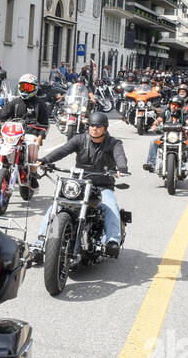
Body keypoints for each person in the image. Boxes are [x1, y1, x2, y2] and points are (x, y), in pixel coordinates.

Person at [36, 110, 129, 259]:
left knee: (111, 207)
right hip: (79, 185)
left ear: (105, 128)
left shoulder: (114, 143)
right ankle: (39, 243)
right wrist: (45, 160)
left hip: (102, 186)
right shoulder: (80, 139)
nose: (94, 128)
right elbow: (63, 150)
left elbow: (120, 156)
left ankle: (112, 241)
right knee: (55, 206)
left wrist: (122, 168)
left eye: (98, 126)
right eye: (92, 125)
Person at [0, 74, 53, 185]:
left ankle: (32, 175)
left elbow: (44, 124)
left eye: (29, 88)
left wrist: (39, 138)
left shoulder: (40, 104)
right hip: (14, 133)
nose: (26, 90)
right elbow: (1, 116)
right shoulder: (15, 102)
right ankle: (1, 174)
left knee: (32, 151)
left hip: (31, 133)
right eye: (24, 87)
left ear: (35, 88)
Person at [143, 96, 188, 174]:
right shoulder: (166, 113)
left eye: (176, 105)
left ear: (179, 106)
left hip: (182, 140)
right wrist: (154, 125)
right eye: (172, 104)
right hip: (165, 139)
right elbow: (158, 120)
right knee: (154, 142)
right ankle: (151, 164)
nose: (173, 106)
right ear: (170, 104)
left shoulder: (182, 114)